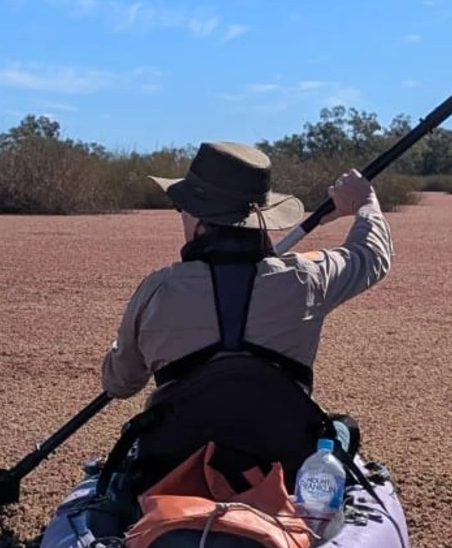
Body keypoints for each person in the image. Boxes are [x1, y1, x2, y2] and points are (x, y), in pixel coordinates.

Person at [100, 140, 392, 405]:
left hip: (176, 455)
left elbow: (120, 383)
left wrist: (126, 345)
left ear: (200, 219)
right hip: (281, 451)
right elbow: (371, 254)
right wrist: (366, 204)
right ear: (259, 218)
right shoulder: (306, 278)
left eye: (182, 208)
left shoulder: (157, 290)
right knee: (342, 431)